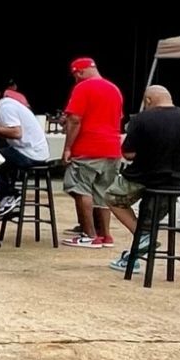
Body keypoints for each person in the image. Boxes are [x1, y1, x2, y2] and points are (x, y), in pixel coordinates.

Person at [101, 87, 180, 272]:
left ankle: (142, 237)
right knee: (149, 218)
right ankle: (140, 242)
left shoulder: (142, 119)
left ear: (148, 100)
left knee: (111, 196)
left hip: (142, 178)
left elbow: (128, 153)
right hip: (175, 184)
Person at [60, 57, 124, 249]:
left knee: (80, 188)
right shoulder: (114, 89)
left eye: (75, 75)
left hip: (89, 148)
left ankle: (89, 235)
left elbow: (75, 120)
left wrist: (68, 147)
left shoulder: (83, 88)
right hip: (112, 148)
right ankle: (105, 235)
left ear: (79, 72)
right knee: (102, 192)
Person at [0, 80, 49, 216]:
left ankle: (9, 196)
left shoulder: (5, 107)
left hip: (31, 153)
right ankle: (8, 195)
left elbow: (16, 133)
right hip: (30, 150)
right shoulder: (5, 105)